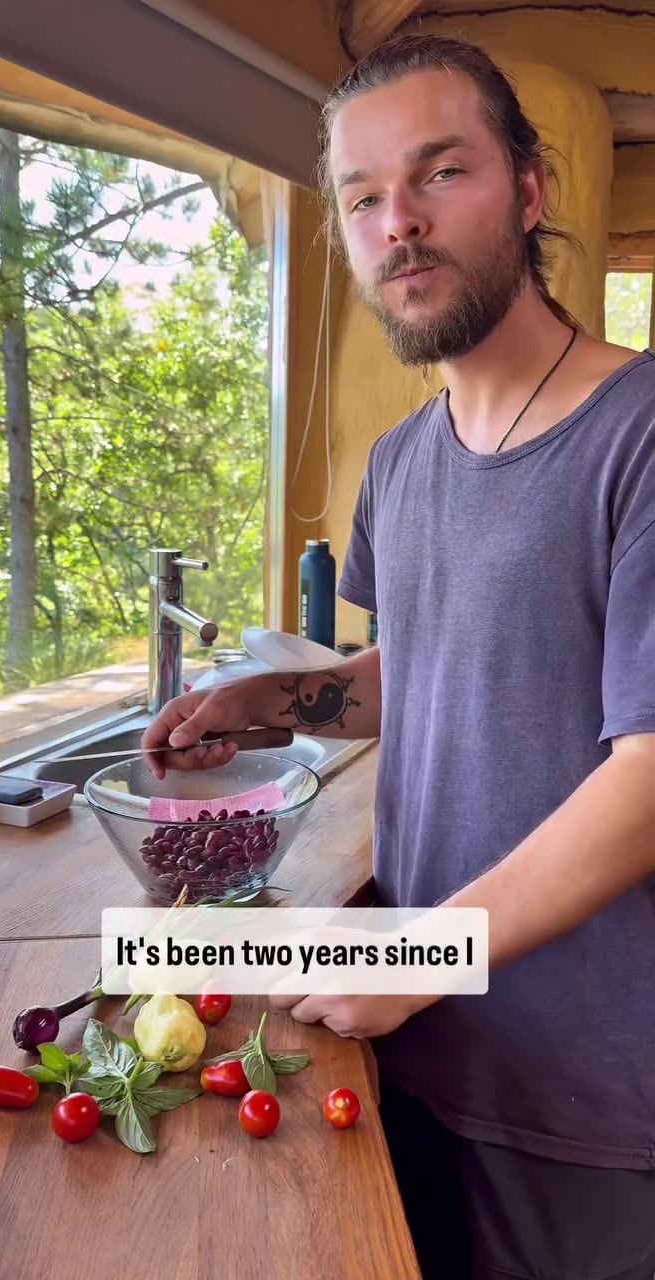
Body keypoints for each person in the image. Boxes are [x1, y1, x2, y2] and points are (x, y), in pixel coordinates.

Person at [142, 33, 655, 1280]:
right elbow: (425, 672)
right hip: (417, 1042)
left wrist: (419, 952)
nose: (400, 222)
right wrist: (271, 699)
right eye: (364, 195)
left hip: (584, 1091)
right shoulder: (401, 461)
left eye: (441, 173)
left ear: (529, 189)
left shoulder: (637, 435)